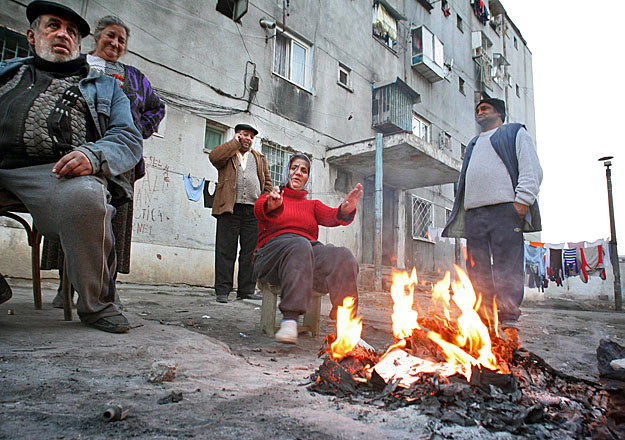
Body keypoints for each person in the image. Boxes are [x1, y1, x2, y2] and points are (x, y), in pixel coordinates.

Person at [0, 1, 143, 332]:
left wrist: (94, 156)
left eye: (72, 31)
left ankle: (96, 304)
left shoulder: (106, 86)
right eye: (53, 26)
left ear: (80, 45)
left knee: (88, 198)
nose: (63, 34)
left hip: (58, 172)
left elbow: (128, 137)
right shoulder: (7, 72)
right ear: (32, 36)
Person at [44, 15, 166, 307]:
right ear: (97, 36)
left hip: (119, 160)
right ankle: (66, 287)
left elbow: (157, 108)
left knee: (113, 224)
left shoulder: (134, 76)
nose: (115, 43)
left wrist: (137, 130)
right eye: (110, 36)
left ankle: (108, 288)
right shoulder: (76, 65)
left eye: (121, 40)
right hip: (76, 151)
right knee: (74, 215)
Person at [442, 98, 542, 334]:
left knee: (508, 264)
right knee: (478, 267)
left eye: (485, 108)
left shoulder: (514, 133)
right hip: (475, 214)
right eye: (477, 109)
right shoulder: (474, 143)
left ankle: (507, 316)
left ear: (499, 113)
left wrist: (521, 203)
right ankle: (484, 315)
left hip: (505, 210)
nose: (479, 112)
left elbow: (532, 169)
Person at [253, 153, 363, 344]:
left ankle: (346, 323)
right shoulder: (270, 198)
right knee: (300, 244)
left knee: (343, 256)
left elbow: (333, 216)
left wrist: (345, 209)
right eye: (294, 168)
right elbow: (260, 208)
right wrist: (272, 204)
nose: (298, 173)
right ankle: (290, 319)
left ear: (307, 177)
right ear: (287, 171)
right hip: (271, 257)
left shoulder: (312, 205)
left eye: (304, 170)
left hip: (305, 256)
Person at [209, 124, 272, 303]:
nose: (248, 139)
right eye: (245, 135)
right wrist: (234, 144)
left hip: (253, 210)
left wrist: (265, 202)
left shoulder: (259, 157)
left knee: (250, 252)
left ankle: (246, 290)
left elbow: (267, 182)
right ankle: (222, 291)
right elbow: (214, 158)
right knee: (225, 250)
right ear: (237, 135)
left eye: (251, 136)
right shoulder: (227, 153)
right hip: (229, 208)